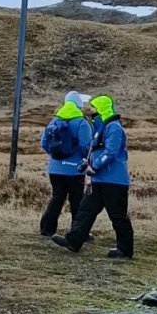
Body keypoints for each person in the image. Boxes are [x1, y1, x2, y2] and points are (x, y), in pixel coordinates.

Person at [54, 94, 133, 259]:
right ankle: (73, 241)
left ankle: (125, 250)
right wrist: (87, 164)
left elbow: (110, 152)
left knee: (118, 216)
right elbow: (95, 150)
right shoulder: (101, 127)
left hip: (114, 181)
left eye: (93, 107)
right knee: (85, 210)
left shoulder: (113, 128)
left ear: (101, 109)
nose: (90, 110)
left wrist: (94, 167)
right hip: (99, 180)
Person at [38, 93, 92, 238]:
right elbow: (86, 147)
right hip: (75, 169)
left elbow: (44, 142)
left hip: (55, 169)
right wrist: (84, 158)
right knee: (76, 200)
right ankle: (77, 231)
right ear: (78, 105)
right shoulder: (82, 123)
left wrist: (55, 156)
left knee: (57, 197)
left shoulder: (54, 120)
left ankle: (47, 229)